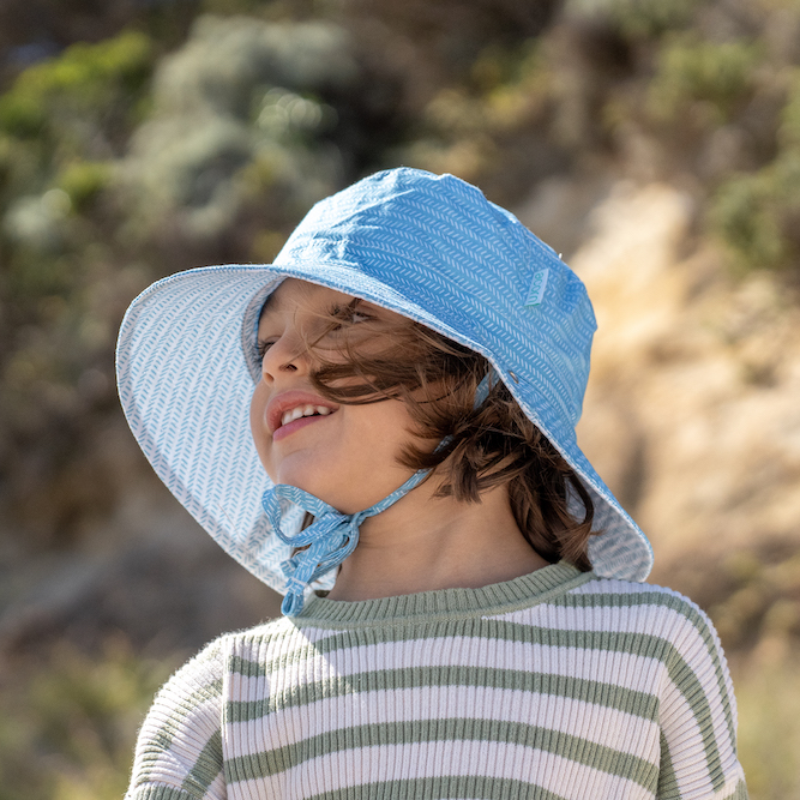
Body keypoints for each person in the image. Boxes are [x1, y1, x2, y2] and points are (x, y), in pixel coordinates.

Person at [117, 168, 747, 799]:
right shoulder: (225, 701)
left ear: (486, 379)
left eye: (348, 318)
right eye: (267, 340)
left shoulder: (649, 653)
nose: (279, 360)